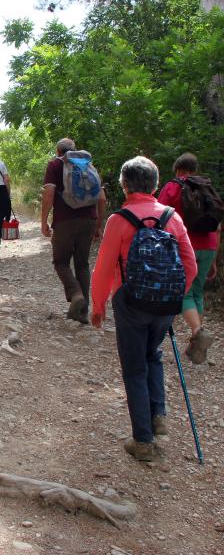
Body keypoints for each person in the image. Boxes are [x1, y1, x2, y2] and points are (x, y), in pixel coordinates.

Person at [91, 156, 197, 462]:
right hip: (166, 304)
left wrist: (98, 307)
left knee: (134, 367)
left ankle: (143, 441)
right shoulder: (172, 218)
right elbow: (189, 264)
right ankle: (157, 413)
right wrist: (176, 296)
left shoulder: (119, 220)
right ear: (156, 184)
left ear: (125, 186)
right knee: (154, 355)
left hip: (131, 302)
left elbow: (103, 268)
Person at [158, 152, 222, 364]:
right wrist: (214, 258)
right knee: (197, 292)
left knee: (182, 292)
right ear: (195, 170)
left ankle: (197, 331)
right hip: (209, 245)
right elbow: (218, 225)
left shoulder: (173, 187)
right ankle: (194, 346)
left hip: (186, 246)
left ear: (177, 169)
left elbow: (159, 217)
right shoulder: (206, 188)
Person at [41, 138, 106, 323]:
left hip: (65, 221)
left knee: (61, 262)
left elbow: (49, 194)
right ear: (73, 150)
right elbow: (102, 199)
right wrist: (98, 224)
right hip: (89, 220)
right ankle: (83, 313)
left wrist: (44, 221)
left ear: (58, 150)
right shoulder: (88, 165)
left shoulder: (55, 165)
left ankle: (76, 295)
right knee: (83, 265)